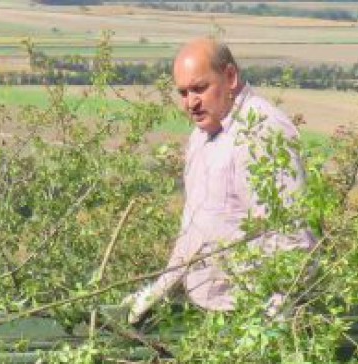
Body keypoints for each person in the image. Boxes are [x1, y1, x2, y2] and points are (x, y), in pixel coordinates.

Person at [128, 38, 316, 322]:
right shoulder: (201, 135)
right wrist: (161, 288)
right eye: (183, 92)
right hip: (209, 314)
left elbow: (292, 233)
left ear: (230, 77)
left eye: (200, 88)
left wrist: (276, 316)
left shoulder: (261, 132)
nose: (191, 102)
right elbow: (196, 230)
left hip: (249, 315)